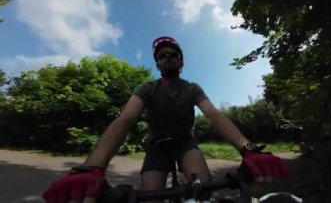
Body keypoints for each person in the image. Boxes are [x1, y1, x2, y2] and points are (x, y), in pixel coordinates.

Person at [43, 36, 288, 203]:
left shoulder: (192, 88)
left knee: (202, 190)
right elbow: (126, 119)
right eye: (162, 56)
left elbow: (213, 114)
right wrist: (93, 167)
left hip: (185, 144)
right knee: (151, 196)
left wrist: (249, 150)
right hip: (157, 147)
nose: (167, 58)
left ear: (181, 62)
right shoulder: (146, 88)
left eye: (173, 54)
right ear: (158, 64)